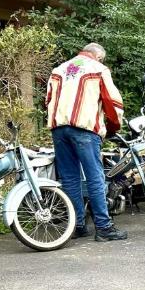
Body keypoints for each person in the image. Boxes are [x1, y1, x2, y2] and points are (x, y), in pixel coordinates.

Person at [46, 43, 127, 242]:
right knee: (94, 177)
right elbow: (112, 102)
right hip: (84, 129)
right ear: (97, 56)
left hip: (59, 129)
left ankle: (77, 225)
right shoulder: (98, 69)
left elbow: (48, 100)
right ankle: (103, 227)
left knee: (70, 178)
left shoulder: (58, 70)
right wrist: (113, 127)